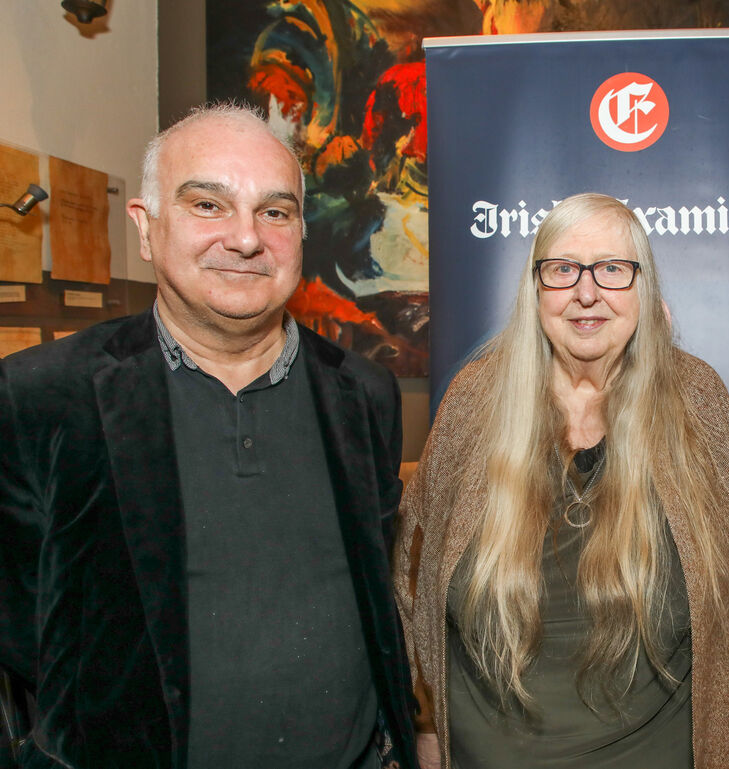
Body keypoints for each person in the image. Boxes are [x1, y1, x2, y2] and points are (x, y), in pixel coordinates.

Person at [0, 104, 417, 769]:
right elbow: (23, 630)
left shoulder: (364, 393)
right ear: (146, 227)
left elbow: (377, 593)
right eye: (208, 205)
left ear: (301, 232)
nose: (247, 238)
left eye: (274, 212)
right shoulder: (40, 395)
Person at [393, 193, 729, 769]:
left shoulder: (696, 397)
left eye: (612, 269)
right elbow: (413, 575)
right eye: (562, 269)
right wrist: (425, 722)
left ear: (643, 288)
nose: (586, 292)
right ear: (535, 289)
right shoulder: (473, 401)